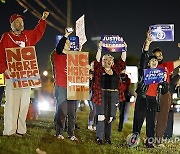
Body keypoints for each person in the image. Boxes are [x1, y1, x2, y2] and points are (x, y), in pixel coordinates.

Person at [0, 12, 49, 136]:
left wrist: (42, 20)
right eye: (17, 22)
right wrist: (4, 69)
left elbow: (38, 32)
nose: (20, 24)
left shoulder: (27, 36)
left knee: (24, 104)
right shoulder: (6, 37)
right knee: (12, 104)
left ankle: (21, 130)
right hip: (11, 76)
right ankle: (9, 131)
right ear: (12, 24)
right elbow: (0, 55)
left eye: (22, 22)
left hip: (26, 76)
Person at [132, 31, 169, 148]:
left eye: (156, 61)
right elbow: (143, 57)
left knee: (151, 122)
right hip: (143, 98)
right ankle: (134, 139)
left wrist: (164, 81)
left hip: (153, 100)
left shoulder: (160, 74)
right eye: (152, 60)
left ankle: (150, 141)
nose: (154, 62)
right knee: (138, 120)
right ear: (148, 63)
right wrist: (147, 43)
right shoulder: (144, 71)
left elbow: (163, 91)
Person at [92, 41, 126, 144]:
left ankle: (107, 138)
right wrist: (99, 48)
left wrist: (124, 49)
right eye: (105, 59)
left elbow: (122, 61)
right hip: (101, 94)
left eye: (110, 59)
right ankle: (99, 138)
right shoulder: (99, 70)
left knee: (110, 117)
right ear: (102, 62)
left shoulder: (116, 69)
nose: (108, 61)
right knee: (101, 116)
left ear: (113, 62)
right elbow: (96, 61)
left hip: (113, 95)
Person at [51, 28, 78, 141]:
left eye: (69, 43)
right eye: (66, 42)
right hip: (61, 86)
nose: (69, 44)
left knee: (72, 113)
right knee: (62, 111)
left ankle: (71, 134)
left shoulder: (74, 56)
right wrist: (66, 35)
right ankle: (59, 132)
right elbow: (59, 47)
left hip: (73, 87)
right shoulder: (57, 55)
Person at [151, 47, 180, 146]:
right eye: (156, 56)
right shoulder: (149, 66)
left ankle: (159, 140)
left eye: (160, 55)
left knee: (163, 118)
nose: (159, 58)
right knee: (152, 117)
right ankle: (150, 138)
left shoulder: (167, 66)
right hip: (152, 93)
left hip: (164, 93)